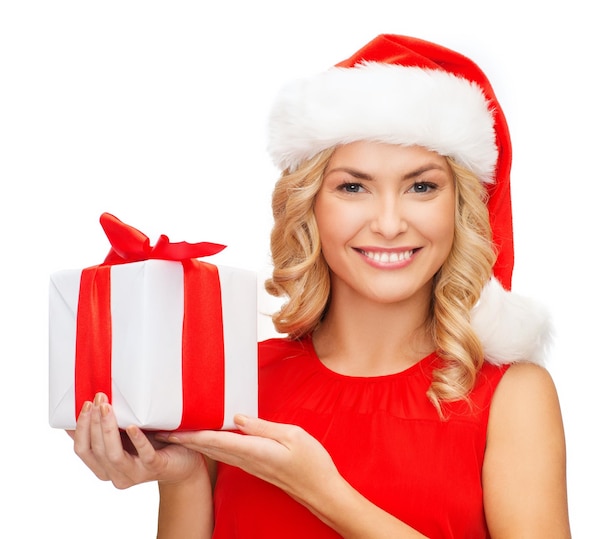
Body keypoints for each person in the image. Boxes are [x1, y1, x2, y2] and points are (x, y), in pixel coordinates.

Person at [69, 34, 571, 538]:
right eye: (354, 187)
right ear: (310, 206)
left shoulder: (510, 397)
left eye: (422, 186)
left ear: (459, 209)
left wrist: (322, 491)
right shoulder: (239, 384)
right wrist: (180, 479)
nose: (390, 223)